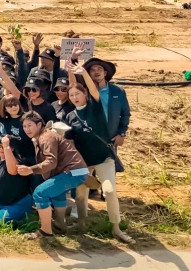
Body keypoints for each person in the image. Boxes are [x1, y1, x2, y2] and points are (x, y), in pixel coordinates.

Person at [63, 64, 133, 243]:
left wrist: (83, 72)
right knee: (79, 195)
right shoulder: (70, 117)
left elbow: (93, 88)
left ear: (85, 94)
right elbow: (71, 144)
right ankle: (81, 224)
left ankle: (116, 228)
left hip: (104, 158)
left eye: (77, 94)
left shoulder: (95, 107)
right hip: (83, 162)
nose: (75, 97)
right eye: (71, 95)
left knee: (109, 191)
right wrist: (76, 164)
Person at [10, 112, 88, 239]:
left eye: (29, 125)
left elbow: (51, 162)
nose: (26, 129)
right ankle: (59, 225)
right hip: (74, 171)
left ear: (39, 124)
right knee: (57, 195)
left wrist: (30, 170)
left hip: (72, 172)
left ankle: (46, 231)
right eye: (24, 126)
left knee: (40, 193)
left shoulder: (46, 137)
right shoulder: (43, 137)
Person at [82, 56, 131, 172]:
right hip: (89, 137)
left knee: (110, 170)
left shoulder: (118, 91)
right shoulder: (84, 91)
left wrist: (121, 134)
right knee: (89, 172)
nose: (96, 72)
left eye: (99, 69)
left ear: (105, 73)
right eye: (92, 70)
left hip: (110, 138)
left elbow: (126, 114)